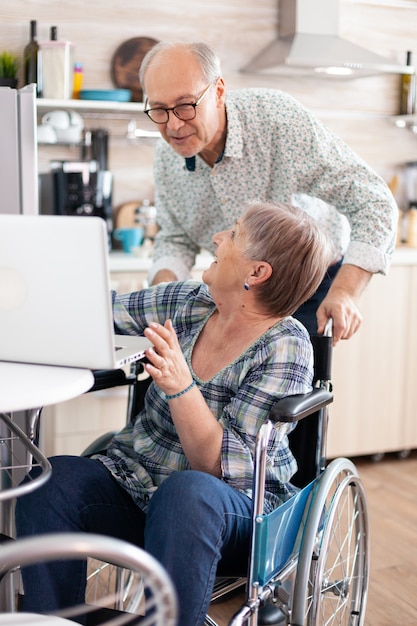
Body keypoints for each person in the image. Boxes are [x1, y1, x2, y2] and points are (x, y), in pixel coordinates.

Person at [16, 201, 335, 626]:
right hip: (138, 486)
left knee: (187, 493)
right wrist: (23, 289)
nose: (218, 238)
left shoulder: (286, 345)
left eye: (234, 233)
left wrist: (180, 386)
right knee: (48, 482)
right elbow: (95, 313)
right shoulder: (189, 301)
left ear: (256, 273)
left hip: (236, 513)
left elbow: (216, 468)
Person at [139, 40, 398, 344]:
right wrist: (161, 297)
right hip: (232, 297)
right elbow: (175, 238)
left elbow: (374, 201)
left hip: (306, 291)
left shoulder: (277, 120)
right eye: (158, 109)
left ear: (219, 91)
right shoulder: (166, 155)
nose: (173, 125)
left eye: (185, 106)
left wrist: (344, 292)